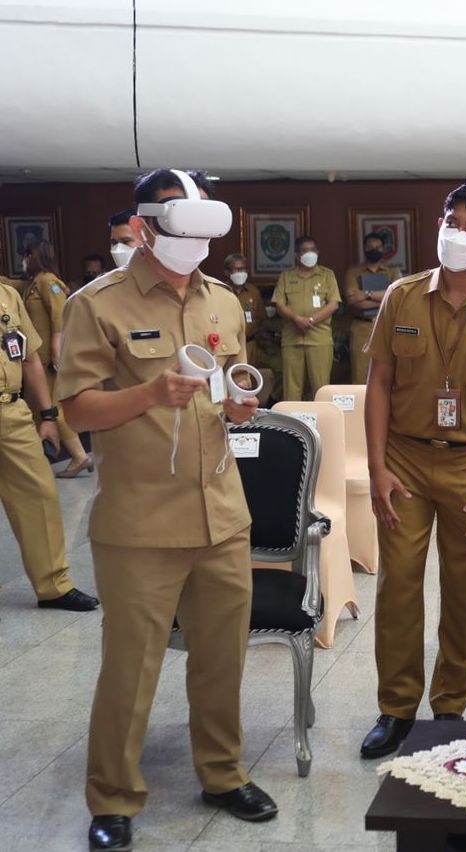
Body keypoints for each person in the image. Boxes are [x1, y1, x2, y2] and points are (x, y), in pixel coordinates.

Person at [58, 168, 278, 852]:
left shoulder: (224, 301)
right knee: (131, 669)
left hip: (221, 511)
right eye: (179, 222)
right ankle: (113, 798)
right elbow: (76, 409)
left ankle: (223, 774)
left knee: (221, 660)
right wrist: (151, 394)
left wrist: (240, 405)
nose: (194, 239)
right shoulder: (98, 304)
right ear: (142, 227)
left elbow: (230, 385)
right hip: (141, 521)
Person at [359, 182, 466, 758]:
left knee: (463, 592)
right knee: (399, 587)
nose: (457, 235)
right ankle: (396, 708)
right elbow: (379, 384)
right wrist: (377, 468)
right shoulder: (401, 296)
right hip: (404, 460)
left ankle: (450, 706)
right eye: (452, 222)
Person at [0, 236, 98, 612]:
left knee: (39, 495)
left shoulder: (8, 296)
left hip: (11, 412)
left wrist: (47, 415)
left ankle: (53, 586)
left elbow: (29, 359)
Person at [20, 240, 94, 477]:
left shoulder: (48, 282)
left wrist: (56, 346)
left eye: (27, 255)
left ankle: (79, 456)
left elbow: (59, 316)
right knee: (36, 407)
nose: (24, 260)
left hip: (48, 357)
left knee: (52, 408)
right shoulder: (33, 283)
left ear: (36, 256)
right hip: (36, 358)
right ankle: (37, 459)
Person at [271, 236, 340, 400]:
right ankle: (291, 417)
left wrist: (311, 320)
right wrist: (296, 319)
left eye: (312, 250)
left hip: (319, 339)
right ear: (297, 255)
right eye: (304, 250)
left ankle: (321, 416)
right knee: (291, 388)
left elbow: (333, 304)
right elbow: (279, 304)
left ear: (318, 252)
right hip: (292, 340)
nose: (309, 253)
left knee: (320, 388)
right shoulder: (286, 277)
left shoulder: (327, 275)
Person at [342, 232, 403, 384]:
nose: (374, 250)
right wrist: (385, 299)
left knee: (389, 372)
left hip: (386, 326)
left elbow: (398, 297)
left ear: (383, 249)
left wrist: (366, 294)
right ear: (364, 249)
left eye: (378, 247)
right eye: (370, 247)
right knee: (360, 374)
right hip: (362, 327)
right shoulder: (353, 272)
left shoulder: (393, 272)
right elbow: (355, 302)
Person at [223, 253, 266, 366]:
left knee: (248, 375)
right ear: (227, 272)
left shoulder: (253, 292)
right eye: (237, 269)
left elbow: (261, 318)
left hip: (249, 345)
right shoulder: (221, 292)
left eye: (243, 269)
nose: (241, 273)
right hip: (227, 346)